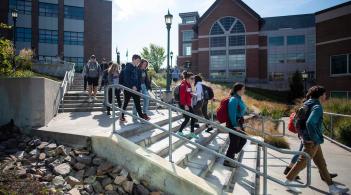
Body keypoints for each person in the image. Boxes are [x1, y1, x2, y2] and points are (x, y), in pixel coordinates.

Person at [285, 86, 348, 194]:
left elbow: (298, 121)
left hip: (311, 140)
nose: (325, 96)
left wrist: (303, 136)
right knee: (302, 162)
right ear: (320, 95)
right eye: (324, 94)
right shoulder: (317, 107)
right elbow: (310, 123)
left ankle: (332, 187)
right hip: (312, 141)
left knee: (321, 163)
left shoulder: (307, 103)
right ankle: (288, 181)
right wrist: (314, 138)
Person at [223, 83, 247, 168]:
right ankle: (227, 160)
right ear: (239, 90)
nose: (244, 90)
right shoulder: (234, 99)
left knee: (242, 139)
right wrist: (235, 125)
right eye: (243, 89)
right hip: (234, 123)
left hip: (238, 122)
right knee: (234, 142)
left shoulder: (238, 98)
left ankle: (231, 156)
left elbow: (241, 109)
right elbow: (232, 113)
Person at [120, 55, 150, 122]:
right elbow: (126, 78)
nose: (138, 62)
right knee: (125, 103)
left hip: (136, 89)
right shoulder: (128, 67)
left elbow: (138, 79)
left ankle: (142, 117)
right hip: (128, 89)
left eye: (139, 61)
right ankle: (121, 117)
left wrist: (138, 87)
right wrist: (132, 86)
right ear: (133, 59)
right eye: (137, 60)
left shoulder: (136, 68)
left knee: (137, 103)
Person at [177, 72, 199, 139]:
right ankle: (180, 132)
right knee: (187, 118)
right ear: (187, 78)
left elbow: (188, 94)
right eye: (191, 78)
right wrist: (185, 105)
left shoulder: (188, 85)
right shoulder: (183, 85)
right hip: (184, 104)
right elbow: (182, 97)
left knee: (192, 117)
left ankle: (192, 133)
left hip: (188, 104)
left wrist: (192, 94)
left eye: (193, 78)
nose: (193, 80)